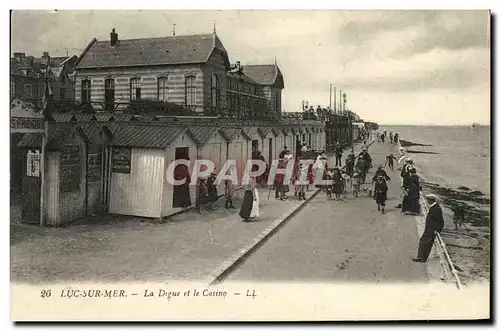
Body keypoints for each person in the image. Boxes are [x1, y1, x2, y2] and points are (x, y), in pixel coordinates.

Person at [412, 194, 444, 263]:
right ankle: (421, 257)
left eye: (428, 200)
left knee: (426, 243)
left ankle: (422, 258)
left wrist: (437, 230)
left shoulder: (436, 208)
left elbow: (440, 221)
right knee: (424, 242)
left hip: (432, 230)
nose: (427, 201)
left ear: (431, 200)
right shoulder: (434, 207)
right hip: (429, 229)